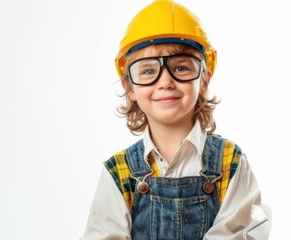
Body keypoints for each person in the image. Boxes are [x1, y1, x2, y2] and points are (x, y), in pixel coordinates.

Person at [82, 0, 271, 239]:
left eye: (181, 68)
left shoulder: (231, 163)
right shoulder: (118, 173)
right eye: (148, 70)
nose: (165, 82)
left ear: (203, 80)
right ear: (129, 86)